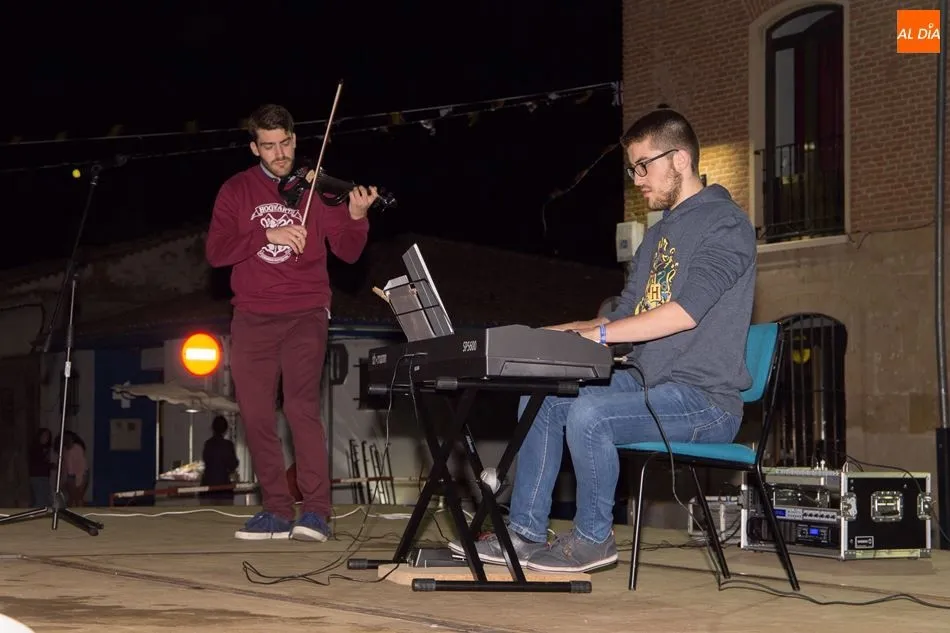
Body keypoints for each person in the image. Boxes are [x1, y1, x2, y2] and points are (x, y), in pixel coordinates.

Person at [449, 108, 758, 573]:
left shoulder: (726, 224)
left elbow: (684, 312)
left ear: (679, 159)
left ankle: (595, 539)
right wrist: (556, 333)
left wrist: (599, 333)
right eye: (632, 169)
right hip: (647, 388)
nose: (636, 179)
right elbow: (625, 311)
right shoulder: (657, 235)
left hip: (704, 401)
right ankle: (527, 533)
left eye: (642, 165)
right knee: (547, 399)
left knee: (591, 412)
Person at [205, 104, 377, 541]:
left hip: (305, 311)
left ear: (295, 140)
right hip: (252, 315)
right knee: (257, 412)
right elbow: (216, 252)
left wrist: (356, 219)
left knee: (300, 406)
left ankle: (316, 511)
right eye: (268, 146)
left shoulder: (318, 187)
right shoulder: (236, 190)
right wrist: (267, 233)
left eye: (285, 143)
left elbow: (349, 252)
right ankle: (277, 509)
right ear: (254, 148)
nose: (279, 153)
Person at [200, 415, 240, 505]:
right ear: (225, 429)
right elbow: (232, 464)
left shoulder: (208, 444)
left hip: (207, 487)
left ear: (212, 428)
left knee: (205, 516)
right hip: (224, 488)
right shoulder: (228, 445)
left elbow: (206, 460)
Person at [28, 428, 53, 507]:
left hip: (43, 476)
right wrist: (50, 465)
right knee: (40, 500)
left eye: (48, 436)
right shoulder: (36, 448)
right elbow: (37, 462)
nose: (46, 438)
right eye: (44, 436)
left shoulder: (44, 448)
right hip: (37, 476)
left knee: (45, 498)